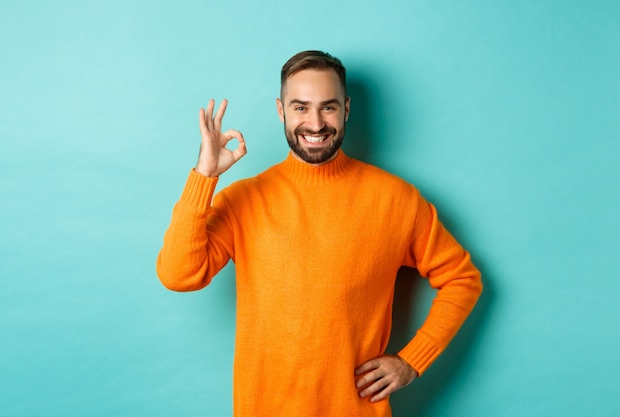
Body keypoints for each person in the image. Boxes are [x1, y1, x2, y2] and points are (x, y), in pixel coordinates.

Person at [156, 50, 482, 417]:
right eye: (300, 107)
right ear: (281, 111)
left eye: (328, 107)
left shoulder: (396, 200)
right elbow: (178, 275)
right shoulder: (243, 201)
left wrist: (412, 360)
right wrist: (205, 176)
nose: (315, 123)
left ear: (346, 108)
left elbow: (462, 279)